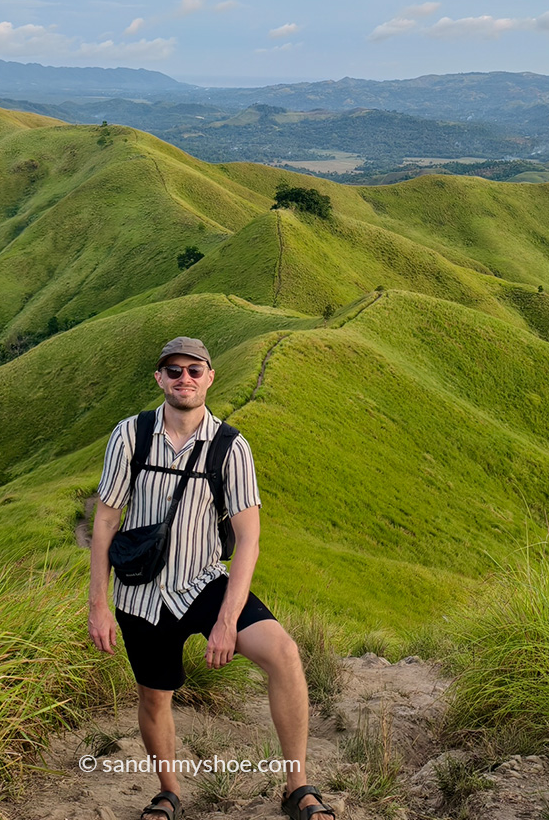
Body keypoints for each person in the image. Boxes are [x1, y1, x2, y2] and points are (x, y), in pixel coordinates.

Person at [88, 336, 335, 820]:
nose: (184, 379)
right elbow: (104, 521)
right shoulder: (129, 436)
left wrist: (226, 621)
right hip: (139, 592)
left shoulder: (230, 447)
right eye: (174, 371)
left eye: (194, 370)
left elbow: (249, 539)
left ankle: (297, 787)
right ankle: (168, 793)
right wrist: (98, 603)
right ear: (159, 379)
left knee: (283, 653)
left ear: (210, 377)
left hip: (203, 582)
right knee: (154, 697)